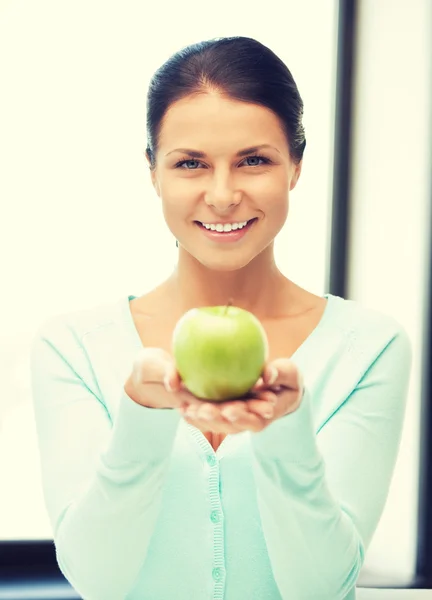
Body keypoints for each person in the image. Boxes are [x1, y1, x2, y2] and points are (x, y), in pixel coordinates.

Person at [30, 36, 412, 600]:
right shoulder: (72, 347)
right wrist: (141, 413)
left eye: (254, 160)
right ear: (153, 172)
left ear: (296, 168)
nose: (223, 194)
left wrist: (285, 425)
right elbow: (98, 579)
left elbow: (320, 586)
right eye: (190, 164)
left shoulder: (371, 346)